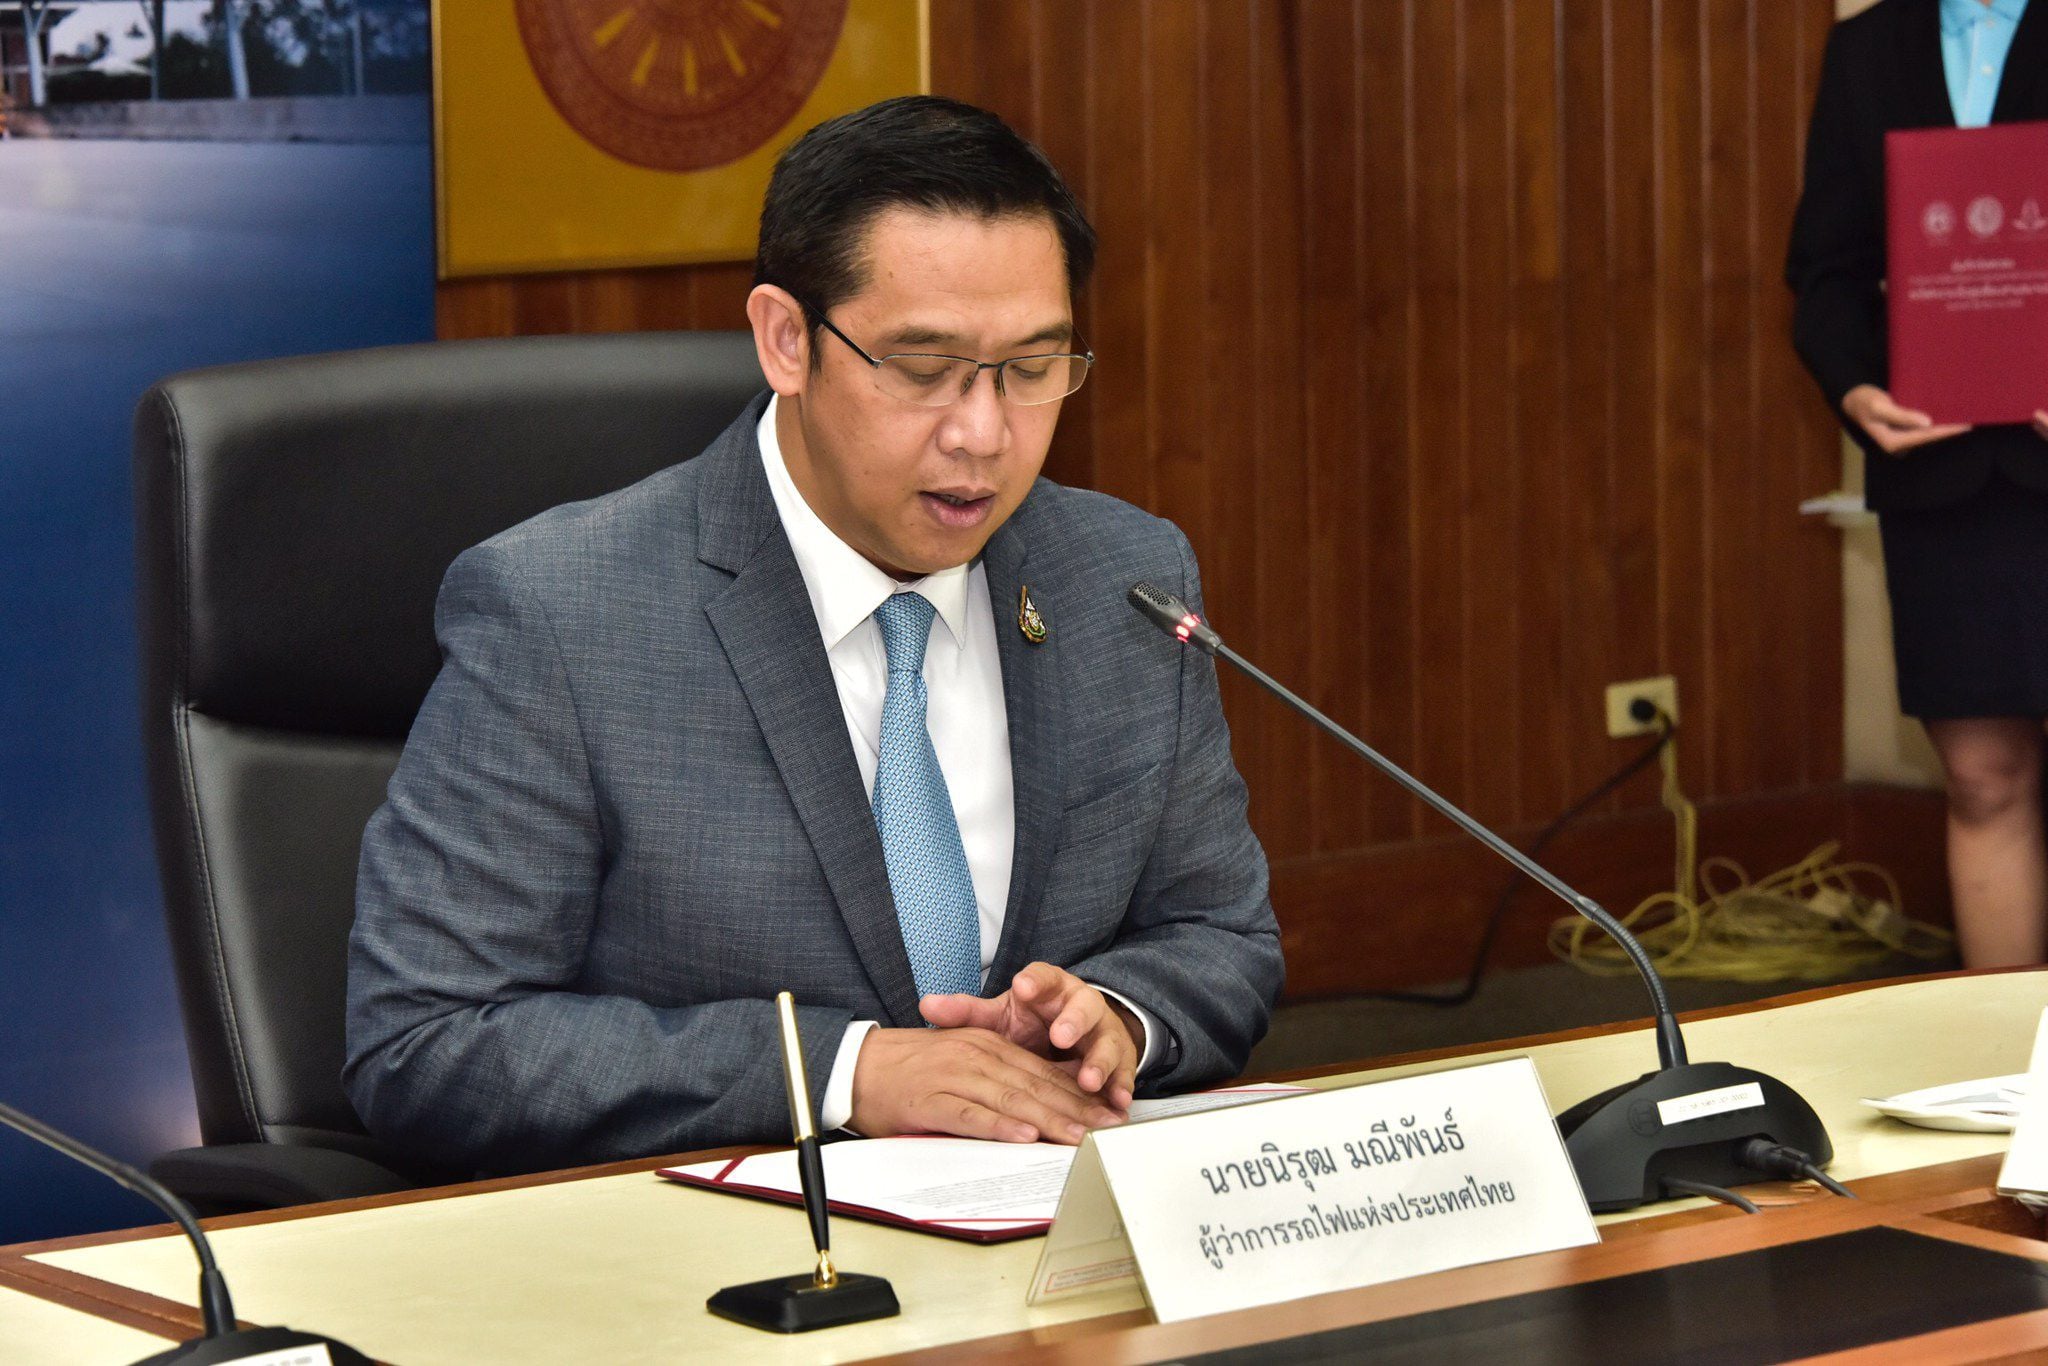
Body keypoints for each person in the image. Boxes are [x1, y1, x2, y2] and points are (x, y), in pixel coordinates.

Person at [343, 96, 1283, 1175]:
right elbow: (428, 1040)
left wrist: (1112, 1020)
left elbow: (1220, 936)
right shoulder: (561, 614)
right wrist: (843, 1072)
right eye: (922, 368)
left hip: (1050, 1237)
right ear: (786, 340)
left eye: (1033, 368)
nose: (983, 433)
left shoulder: (1123, 579)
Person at [1787, 0, 2048, 967]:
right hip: (1941, 476)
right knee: (1983, 777)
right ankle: (2009, 1060)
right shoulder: (1866, 48)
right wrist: (1857, 387)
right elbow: (1826, 268)